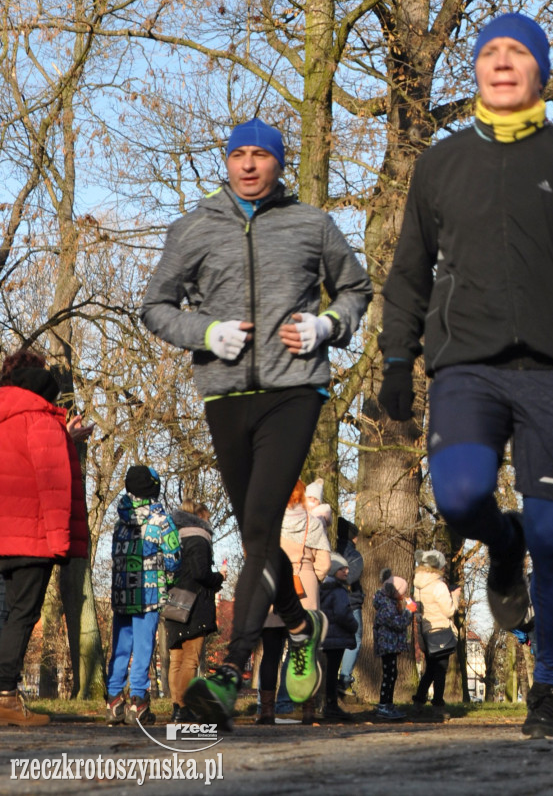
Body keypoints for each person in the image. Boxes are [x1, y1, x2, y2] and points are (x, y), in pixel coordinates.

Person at [378, 12, 553, 739]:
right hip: (467, 362)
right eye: (490, 51)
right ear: (474, 68)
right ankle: (503, 545)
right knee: (461, 496)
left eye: (518, 53)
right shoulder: (440, 164)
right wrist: (397, 359)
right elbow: (408, 272)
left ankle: (550, 691)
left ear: (541, 72)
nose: (502, 62)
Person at [141, 118, 372, 727]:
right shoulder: (193, 230)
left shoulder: (310, 224)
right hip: (225, 394)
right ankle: (298, 623)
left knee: (265, 519)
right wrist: (206, 332)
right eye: (237, 154)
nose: (248, 165)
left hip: (295, 389)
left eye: (260, 156)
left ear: (278, 164)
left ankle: (228, 671)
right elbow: (155, 305)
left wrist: (327, 326)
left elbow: (355, 288)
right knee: (255, 538)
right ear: (226, 160)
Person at [0, 350, 92, 726]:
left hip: (6, 532)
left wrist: (64, 437)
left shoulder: (7, 416)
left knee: (8, 614)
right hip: (32, 536)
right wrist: (60, 542)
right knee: (23, 614)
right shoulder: (40, 419)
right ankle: (6, 697)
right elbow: (51, 483)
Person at [106, 465, 181, 725]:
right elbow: (174, 557)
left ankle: (114, 699)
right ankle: (138, 701)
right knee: (143, 646)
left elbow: (116, 555)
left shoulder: (120, 521)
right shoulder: (161, 520)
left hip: (121, 592)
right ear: (154, 488)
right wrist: (167, 581)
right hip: (148, 595)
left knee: (120, 646)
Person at [258, 480, 331, 725]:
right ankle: (308, 710)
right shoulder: (314, 524)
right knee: (305, 653)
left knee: (270, 653)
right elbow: (325, 564)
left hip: (274, 589)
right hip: (305, 591)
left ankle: (267, 711)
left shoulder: (269, 523)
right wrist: (311, 579)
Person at [166, 500, 224, 722]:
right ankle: (183, 706)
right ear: (201, 518)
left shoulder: (173, 537)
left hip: (173, 601)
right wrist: (218, 578)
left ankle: (176, 706)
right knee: (191, 659)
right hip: (194, 604)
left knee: (176, 660)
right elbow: (201, 573)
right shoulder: (199, 538)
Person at [412, 549, 460, 716]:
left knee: (431, 669)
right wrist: (455, 597)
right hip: (440, 631)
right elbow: (449, 611)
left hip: (424, 631)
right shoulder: (439, 586)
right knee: (440, 670)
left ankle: (418, 700)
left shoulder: (417, 585)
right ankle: (438, 706)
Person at [373, 569, 415, 721]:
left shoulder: (389, 603)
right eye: (402, 593)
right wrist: (409, 612)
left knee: (392, 674)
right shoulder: (386, 605)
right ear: (393, 592)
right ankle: (384, 705)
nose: (403, 596)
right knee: (388, 675)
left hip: (391, 644)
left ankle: (388, 703)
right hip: (387, 645)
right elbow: (399, 624)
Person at [320, 552, 358, 722]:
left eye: (347, 568)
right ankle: (332, 705)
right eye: (342, 568)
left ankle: (327, 703)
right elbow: (342, 614)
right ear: (334, 569)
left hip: (326, 636)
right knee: (333, 671)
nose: (347, 571)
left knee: (328, 671)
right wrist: (354, 625)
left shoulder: (322, 589)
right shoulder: (338, 591)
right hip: (336, 637)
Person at [337, 519, 364, 696]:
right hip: (350, 602)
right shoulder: (353, 554)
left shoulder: (330, 547)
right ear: (353, 537)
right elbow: (351, 577)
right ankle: (344, 678)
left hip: (332, 601)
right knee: (354, 639)